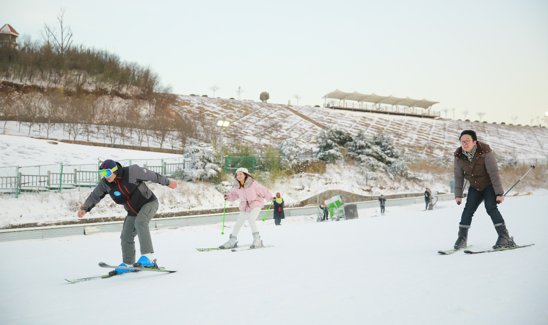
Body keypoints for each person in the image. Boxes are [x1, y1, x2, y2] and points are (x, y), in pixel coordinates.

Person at [77, 159, 177, 274]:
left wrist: (168, 182)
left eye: (107, 173)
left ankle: (149, 258)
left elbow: (152, 175)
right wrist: (85, 208)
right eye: (102, 174)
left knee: (140, 222)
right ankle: (128, 263)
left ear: (115, 170)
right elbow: (95, 196)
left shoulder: (132, 172)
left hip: (149, 203)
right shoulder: (105, 184)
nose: (105, 176)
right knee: (126, 236)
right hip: (132, 211)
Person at [453, 130, 516, 250]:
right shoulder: (458, 156)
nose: (464, 144)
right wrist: (458, 194)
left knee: (490, 208)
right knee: (468, 210)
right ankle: (462, 238)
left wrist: (499, 193)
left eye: (467, 141)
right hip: (475, 188)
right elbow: (458, 176)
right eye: (462, 141)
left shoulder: (486, 152)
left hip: (489, 186)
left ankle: (504, 237)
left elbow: (494, 173)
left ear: (474, 142)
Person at [219, 167, 273, 249]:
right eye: (237, 174)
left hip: (255, 204)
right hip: (245, 207)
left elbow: (264, 191)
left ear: (245, 175)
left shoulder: (253, 184)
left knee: (251, 220)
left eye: (241, 174)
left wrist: (272, 198)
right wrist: (228, 197)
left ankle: (257, 240)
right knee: (238, 223)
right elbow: (233, 195)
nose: (239, 176)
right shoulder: (237, 186)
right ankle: (232, 241)